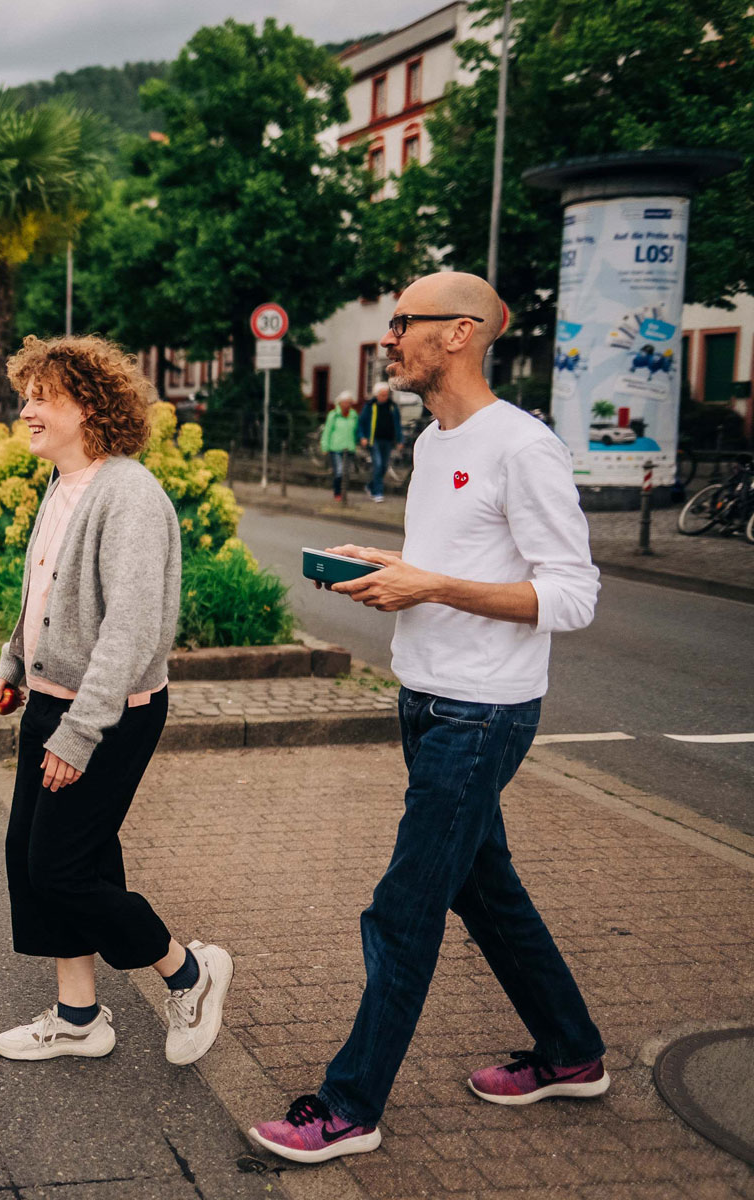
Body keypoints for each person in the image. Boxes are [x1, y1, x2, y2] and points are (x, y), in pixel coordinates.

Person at [250, 273, 605, 1165]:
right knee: (489, 894)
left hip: (482, 714)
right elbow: (454, 561)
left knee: (404, 909)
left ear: (460, 334)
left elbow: (573, 595)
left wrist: (433, 584)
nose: (391, 337)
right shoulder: (435, 440)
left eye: (405, 323)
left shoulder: (522, 446)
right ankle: (571, 1052)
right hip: (425, 697)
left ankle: (347, 1107)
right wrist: (394, 564)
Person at [0, 336, 233, 1072]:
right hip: (54, 702)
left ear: (87, 406)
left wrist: (79, 733)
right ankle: (78, 1016)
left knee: (58, 869)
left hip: (105, 715)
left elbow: (131, 627)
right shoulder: (64, 485)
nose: (25, 409)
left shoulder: (126, 493)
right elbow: (47, 594)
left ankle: (188, 972)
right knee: (48, 857)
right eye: (25, 393)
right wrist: (14, 663)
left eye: (40, 396)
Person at [358, 383, 404, 503]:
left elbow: (397, 424)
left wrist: (400, 439)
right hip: (374, 440)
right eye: (382, 395)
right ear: (377, 395)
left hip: (388, 440)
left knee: (384, 466)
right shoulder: (370, 406)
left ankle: (371, 486)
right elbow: (361, 422)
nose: (385, 397)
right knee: (378, 464)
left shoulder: (392, 407)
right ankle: (378, 492)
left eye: (386, 395)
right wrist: (362, 436)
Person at [320, 391, 359, 503]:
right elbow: (327, 431)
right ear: (340, 403)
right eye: (345, 403)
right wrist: (325, 446)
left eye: (349, 403)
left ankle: (344, 493)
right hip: (336, 447)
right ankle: (337, 492)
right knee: (339, 471)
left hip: (349, 448)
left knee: (346, 472)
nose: (347, 405)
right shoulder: (333, 415)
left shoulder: (353, 415)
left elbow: (355, 431)